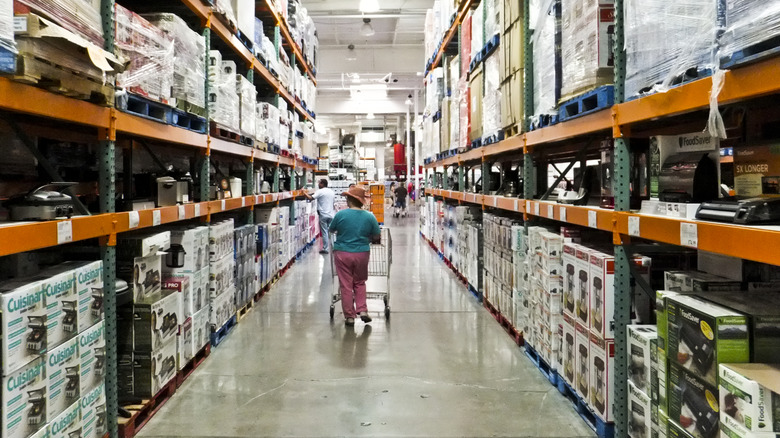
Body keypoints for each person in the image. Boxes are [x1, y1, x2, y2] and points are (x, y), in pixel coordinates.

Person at [330, 185, 381, 326]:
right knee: (359, 282)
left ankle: (349, 316)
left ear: (350, 200)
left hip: (342, 253)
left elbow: (331, 229)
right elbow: (376, 235)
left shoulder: (340, 215)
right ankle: (362, 310)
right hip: (362, 253)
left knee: (346, 285)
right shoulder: (369, 216)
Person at [304, 179, 335, 254]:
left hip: (323, 214)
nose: (318, 184)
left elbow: (310, 198)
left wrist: (304, 193)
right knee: (331, 232)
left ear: (322, 184)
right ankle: (334, 247)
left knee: (324, 232)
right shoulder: (331, 192)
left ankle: (325, 248)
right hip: (331, 214)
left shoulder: (320, 191)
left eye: (319, 183)